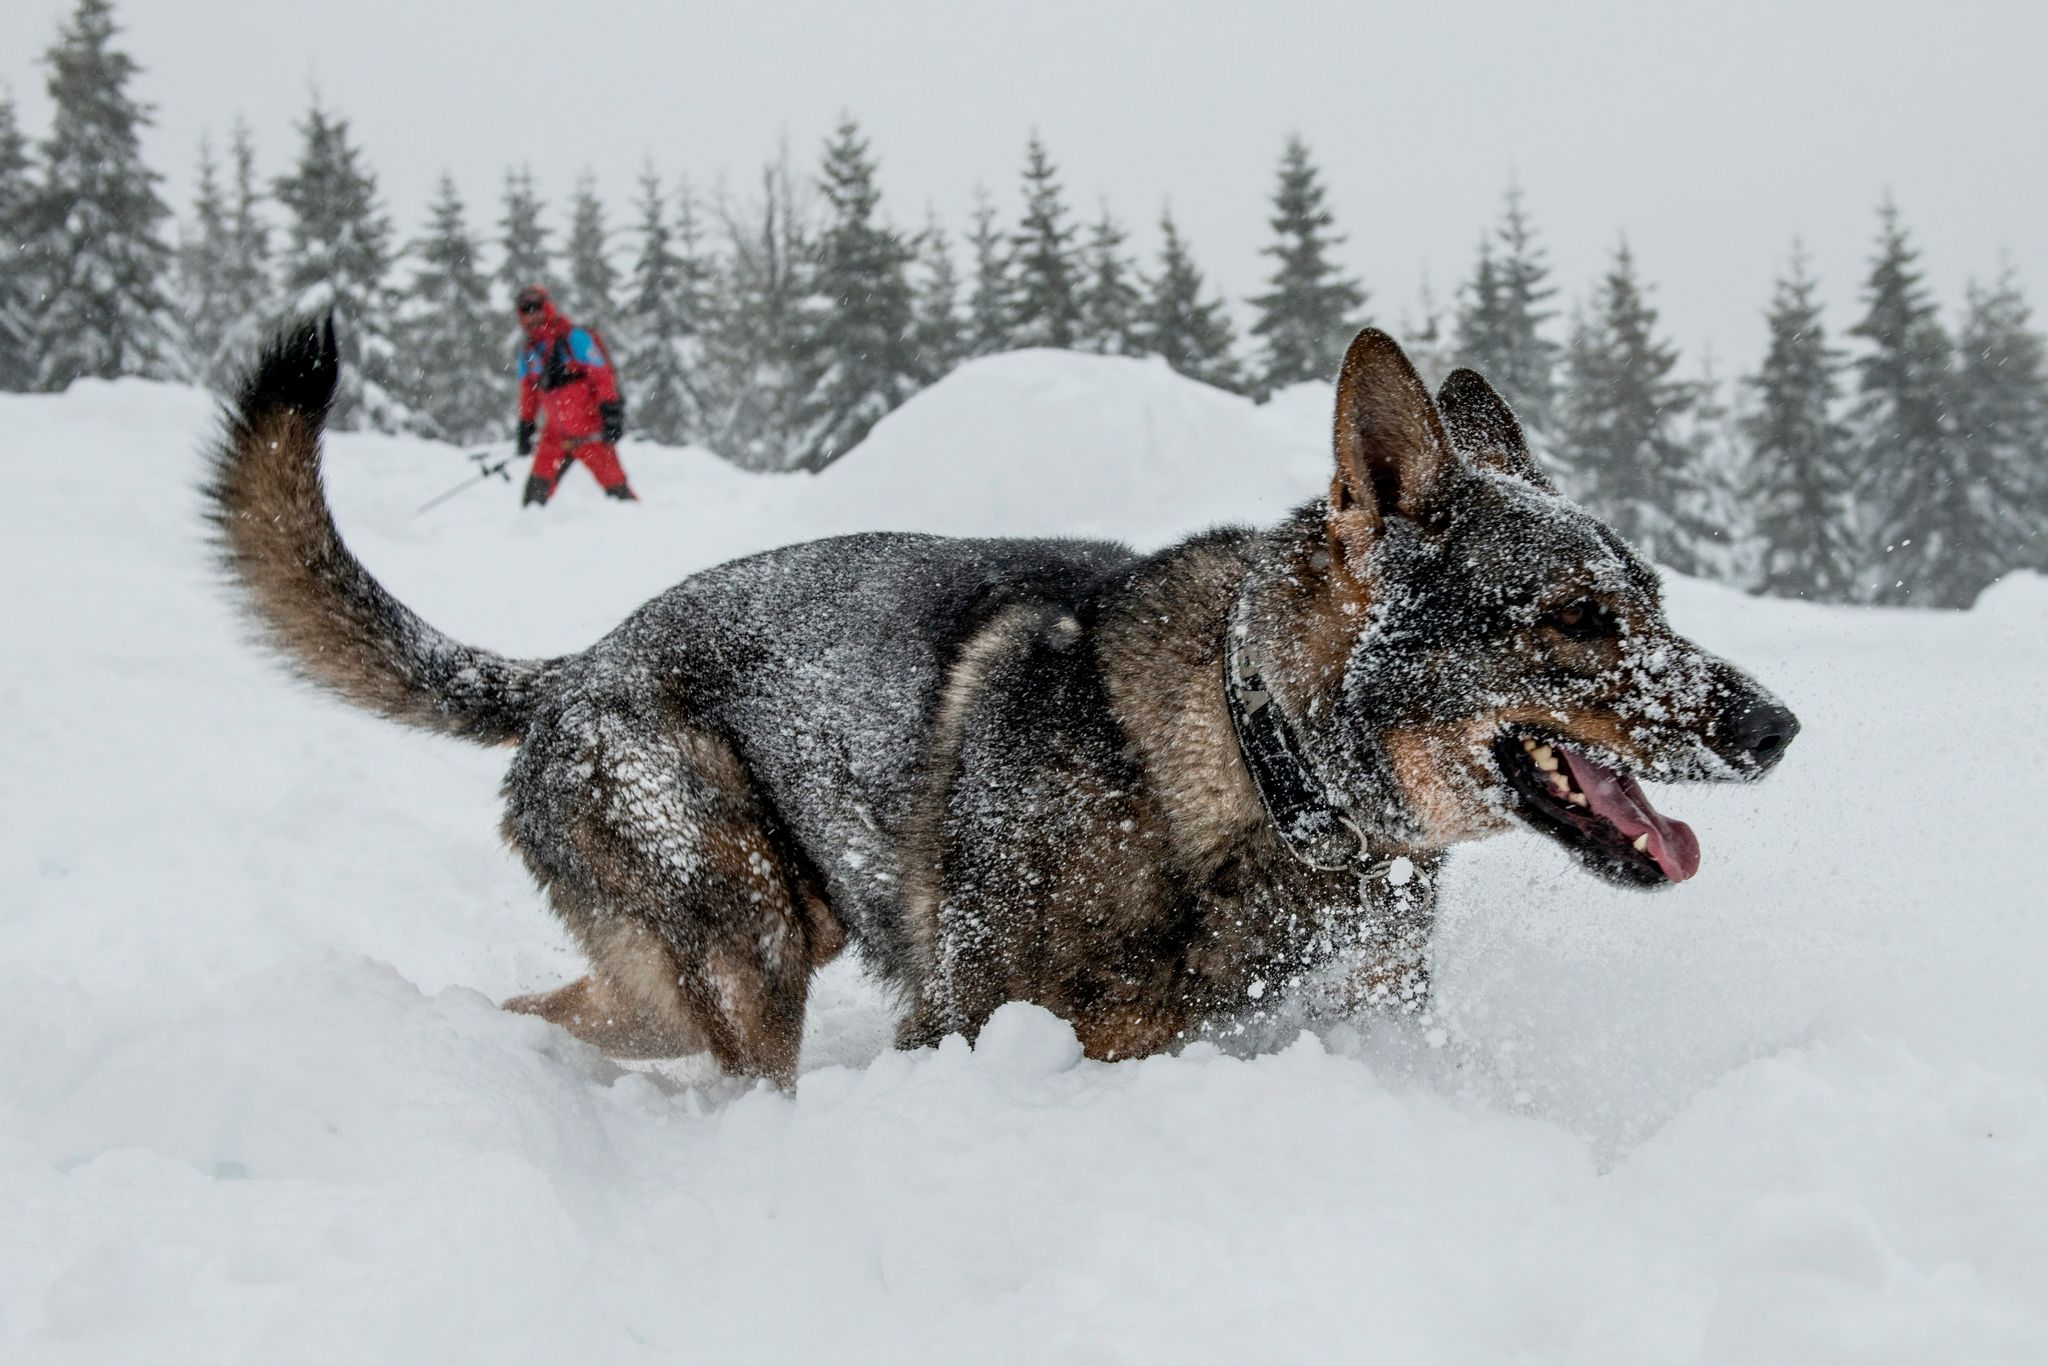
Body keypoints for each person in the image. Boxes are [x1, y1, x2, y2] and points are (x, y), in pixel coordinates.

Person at [512, 285, 636, 506]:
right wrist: (525, 426)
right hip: (555, 435)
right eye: (526, 310)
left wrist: (611, 412)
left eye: (536, 308)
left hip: (591, 431)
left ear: (547, 307)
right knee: (533, 500)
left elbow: (602, 377)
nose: (533, 315)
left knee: (619, 495)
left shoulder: (574, 338)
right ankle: (530, 538)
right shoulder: (528, 353)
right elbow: (528, 396)